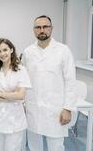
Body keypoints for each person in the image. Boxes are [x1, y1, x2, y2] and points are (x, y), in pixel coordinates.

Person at [22, 15, 76, 151]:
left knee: (56, 146)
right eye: (38, 27)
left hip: (56, 109)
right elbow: (23, 80)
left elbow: (70, 81)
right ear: (33, 30)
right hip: (33, 107)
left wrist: (68, 108)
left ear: (51, 28)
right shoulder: (28, 52)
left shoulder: (63, 51)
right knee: (34, 145)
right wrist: (22, 103)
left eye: (45, 27)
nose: (42, 30)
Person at [0, 38, 31, 151]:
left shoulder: (21, 70)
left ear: (11, 50)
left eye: (5, 50)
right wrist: (11, 96)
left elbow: (21, 95)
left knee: (12, 147)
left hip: (15, 118)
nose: (2, 54)